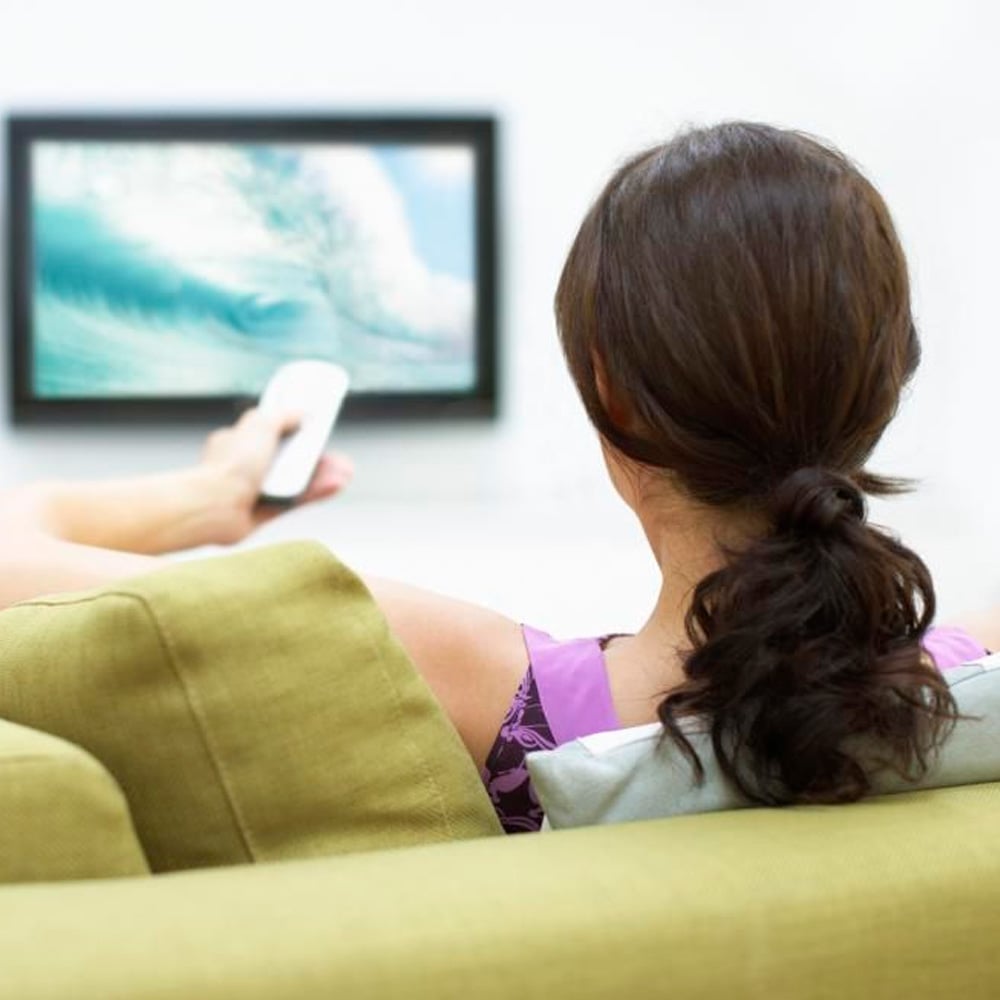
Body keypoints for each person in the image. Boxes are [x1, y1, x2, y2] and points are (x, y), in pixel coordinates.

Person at [0, 121, 993, 835]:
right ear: (889, 375)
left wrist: (206, 499)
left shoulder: (474, 688)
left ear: (611, 392)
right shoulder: (968, 686)